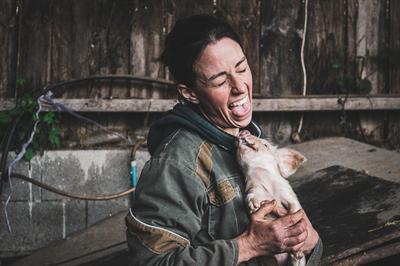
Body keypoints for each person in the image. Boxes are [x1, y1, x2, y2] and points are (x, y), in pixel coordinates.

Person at [125, 14, 322, 265]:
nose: (240, 86)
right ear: (190, 93)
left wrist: (311, 242)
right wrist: (248, 246)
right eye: (220, 80)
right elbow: (150, 262)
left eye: (241, 68)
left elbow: (297, 241)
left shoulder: (248, 140)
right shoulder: (177, 164)